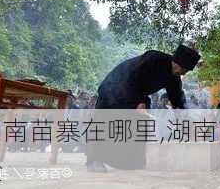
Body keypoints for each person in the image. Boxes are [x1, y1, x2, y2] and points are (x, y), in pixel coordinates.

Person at [86, 44, 200, 172]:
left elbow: (177, 98)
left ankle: (132, 162)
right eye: (183, 69)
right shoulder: (153, 58)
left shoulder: (174, 77)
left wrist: (185, 117)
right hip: (114, 89)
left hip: (135, 96)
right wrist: (139, 101)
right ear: (176, 62)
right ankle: (93, 160)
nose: (183, 73)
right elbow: (133, 77)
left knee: (139, 124)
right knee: (105, 124)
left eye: (186, 71)